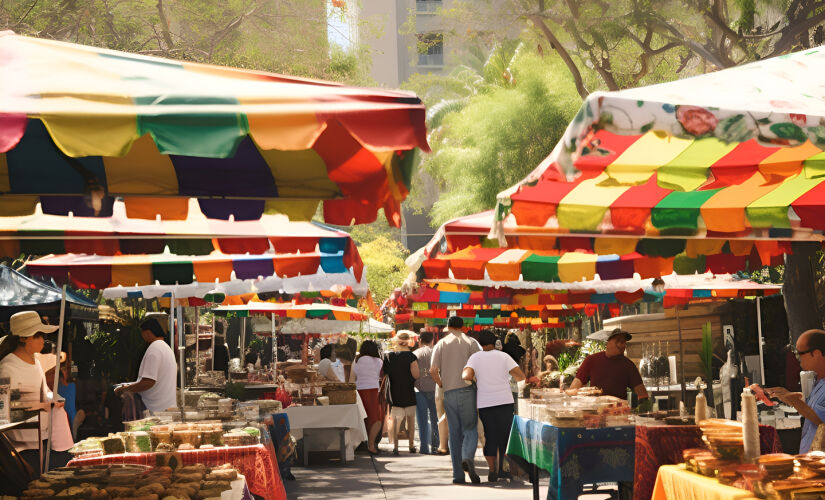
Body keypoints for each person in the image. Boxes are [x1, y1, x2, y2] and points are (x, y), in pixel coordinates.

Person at [0, 311, 73, 475]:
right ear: (23, 338)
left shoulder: (37, 363)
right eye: (37, 336)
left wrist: (54, 399)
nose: (42, 340)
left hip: (42, 441)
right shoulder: (8, 368)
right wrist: (44, 406)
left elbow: (44, 392)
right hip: (20, 450)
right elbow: (4, 414)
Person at [463, 329, 526, 482]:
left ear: (481, 343)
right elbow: (520, 376)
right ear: (494, 342)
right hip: (505, 401)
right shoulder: (503, 356)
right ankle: (504, 469)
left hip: (485, 403)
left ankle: (492, 470)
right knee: (505, 436)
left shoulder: (475, 357)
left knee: (490, 437)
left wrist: (474, 381)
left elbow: (466, 376)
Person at [431, 316, 482, 484]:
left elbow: (433, 370)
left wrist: (441, 383)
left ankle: (458, 476)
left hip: (449, 392)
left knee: (454, 433)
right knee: (470, 429)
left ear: (448, 326)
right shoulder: (471, 342)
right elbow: (478, 367)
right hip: (467, 390)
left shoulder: (441, 344)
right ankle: (468, 457)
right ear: (463, 327)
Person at [763, 329, 825, 453]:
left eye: (800, 354)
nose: (797, 359)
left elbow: (820, 419)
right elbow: (815, 406)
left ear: (816, 354)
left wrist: (793, 400)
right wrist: (793, 396)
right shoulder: (819, 380)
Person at [114, 313, 177, 412]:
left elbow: (148, 382)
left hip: (155, 409)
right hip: (165, 405)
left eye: (142, 332)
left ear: (147, 332)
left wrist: (124, 389)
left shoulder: (155, 349)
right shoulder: (165, 347)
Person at [568, 328, 649, 405]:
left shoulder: (628, 365)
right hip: (595, 412)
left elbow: (643, 395)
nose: (623, 345)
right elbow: (574, 388)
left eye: (624, 342)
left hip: (618, 413)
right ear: (608, 342)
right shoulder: (591, 360)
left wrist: (640, 412)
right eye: (619, 341)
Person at [383, 331, 419, 456]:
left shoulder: (389, 356)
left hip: (394, 393)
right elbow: (416, 375)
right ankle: (411, 445)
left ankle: (396, 446)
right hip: (409, 391)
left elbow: (385, 374)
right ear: (408, 341)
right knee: (411, 420)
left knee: (395, 420)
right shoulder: (412, 357)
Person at [351, 340, 384, 454]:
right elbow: (381, 375)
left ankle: (362, 444)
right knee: (376, 420)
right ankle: (371, 445)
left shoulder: (357, 360)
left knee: (363, 419)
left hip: (358, 390)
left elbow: (353, 375)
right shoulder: (378, 361)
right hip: (372, 390)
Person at [413, 330, 439, 455]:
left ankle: (424, 447)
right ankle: (437, 446)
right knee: (436, 419)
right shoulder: (437, 352)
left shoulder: (415, 354)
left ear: (420, 340)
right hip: (435, 389)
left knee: (422, 419)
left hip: (419, 389)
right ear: (432, 340)